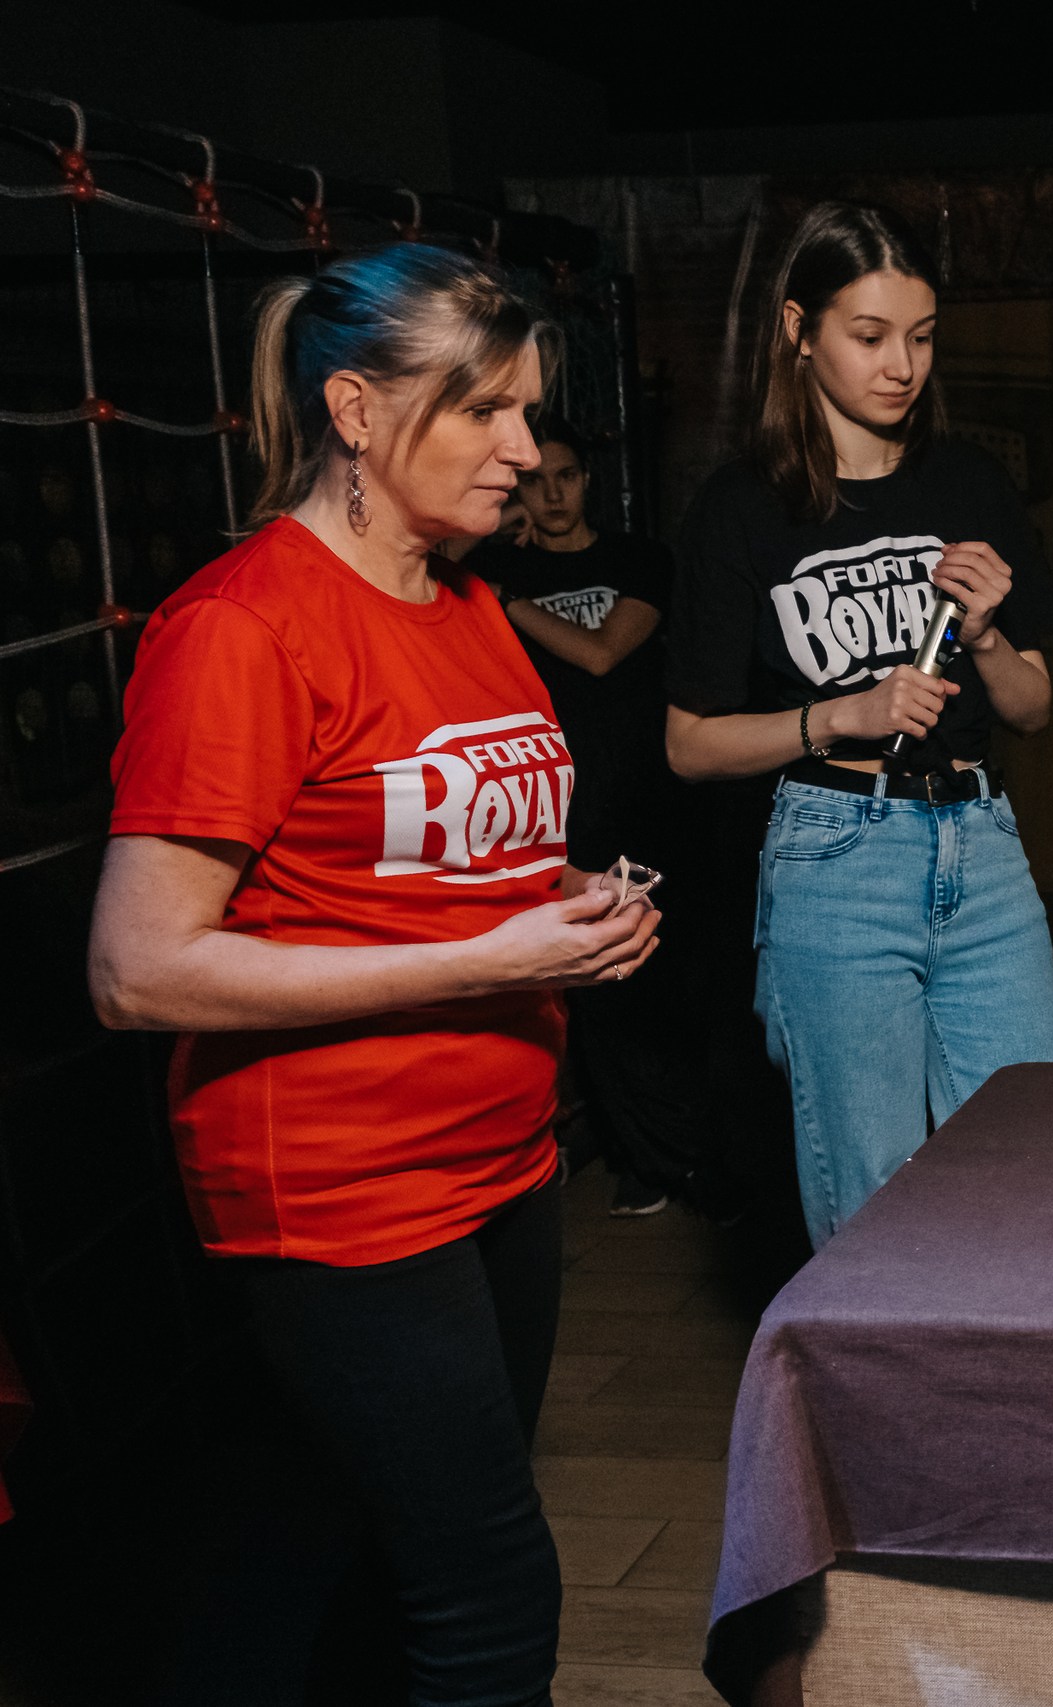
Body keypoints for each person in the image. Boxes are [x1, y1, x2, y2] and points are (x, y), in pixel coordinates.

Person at [88, 243, 661, 1704]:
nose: (523, 451)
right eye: (485, 411)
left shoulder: (467, 606)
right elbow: (137, 968)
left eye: (527, 412)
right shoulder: (242, 629)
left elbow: (450, 861)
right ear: (354, 408)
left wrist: (573, 908)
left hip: (502, 1157)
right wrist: (483, 960)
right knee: (489, 1581)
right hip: (341, 1185)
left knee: (359, 1555)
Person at [663, 201, 1053, 1253]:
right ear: (799, 330)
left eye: (922, 337)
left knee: (1039, 1161)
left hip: (982, 846)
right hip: (835, 859)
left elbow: (1032, 706)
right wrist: (839, 714)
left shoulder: (967, 481)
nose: (903, 366)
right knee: (876, 1204)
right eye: (871, 335)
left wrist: (986, 636)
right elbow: (689, 742)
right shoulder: (740, 508)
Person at [473, 421, 702, 1218]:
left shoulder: (639, 558)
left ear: (588, 480)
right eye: (534, 480)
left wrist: (508, 601)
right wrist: (497, 543)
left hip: (647, 796)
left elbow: (605, 652)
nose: (552, 493)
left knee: (666, 971)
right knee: (593, 984)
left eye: (566, 476)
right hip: (559, 812)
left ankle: (689, 1153)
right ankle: (640, 1154)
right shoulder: (494, 569)